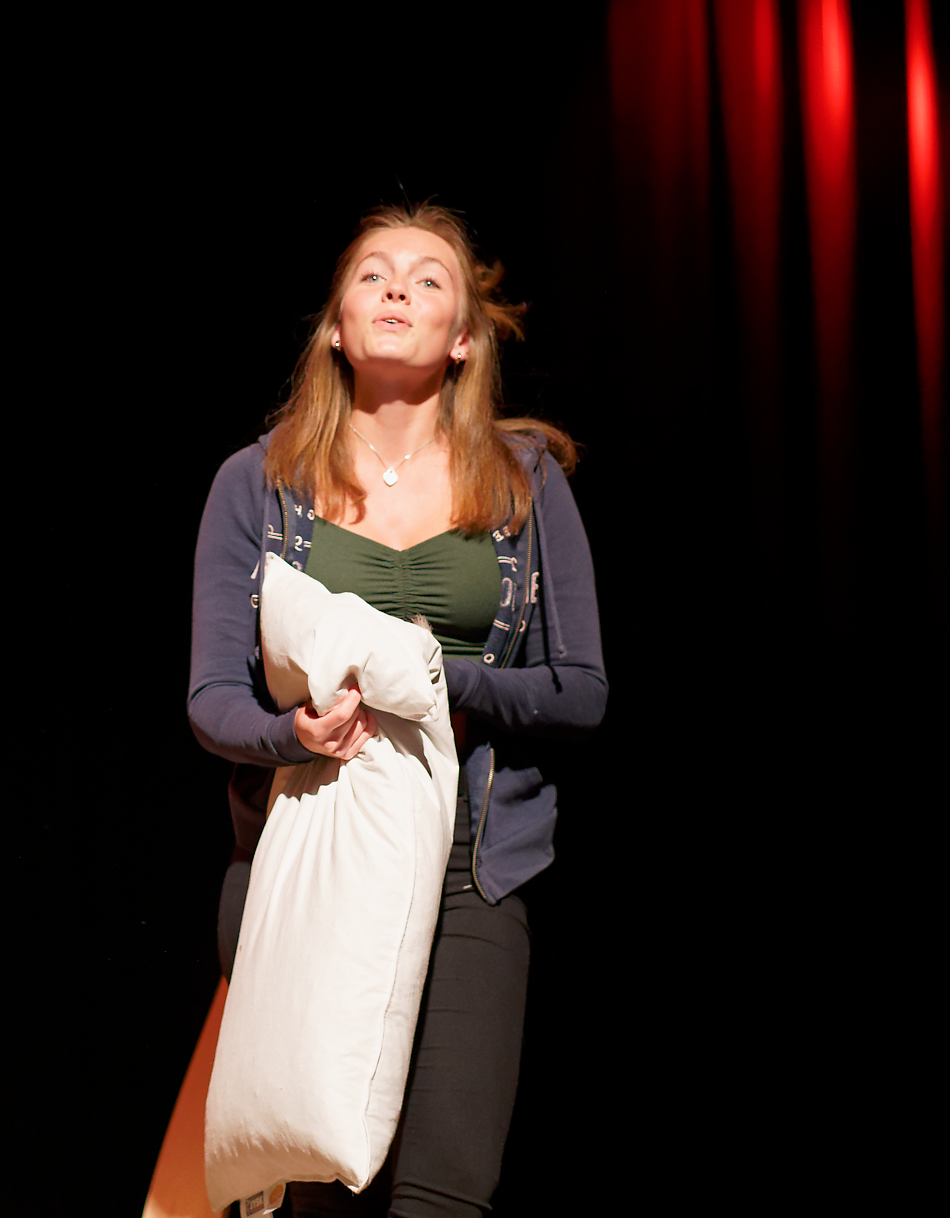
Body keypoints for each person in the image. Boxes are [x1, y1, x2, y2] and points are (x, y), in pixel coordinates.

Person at [189, 205, 606, 1216]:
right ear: (336, 325)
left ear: (462, 338)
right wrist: (289, 731)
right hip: (308, 853)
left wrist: (433, 676)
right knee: (316, 1179)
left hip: (471, 862)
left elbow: (580, 689)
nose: (395, 290)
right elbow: (210, 698)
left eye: (427, 281)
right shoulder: (258, 482)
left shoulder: (523, 481)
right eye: (373, 274)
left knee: (443, 1185)